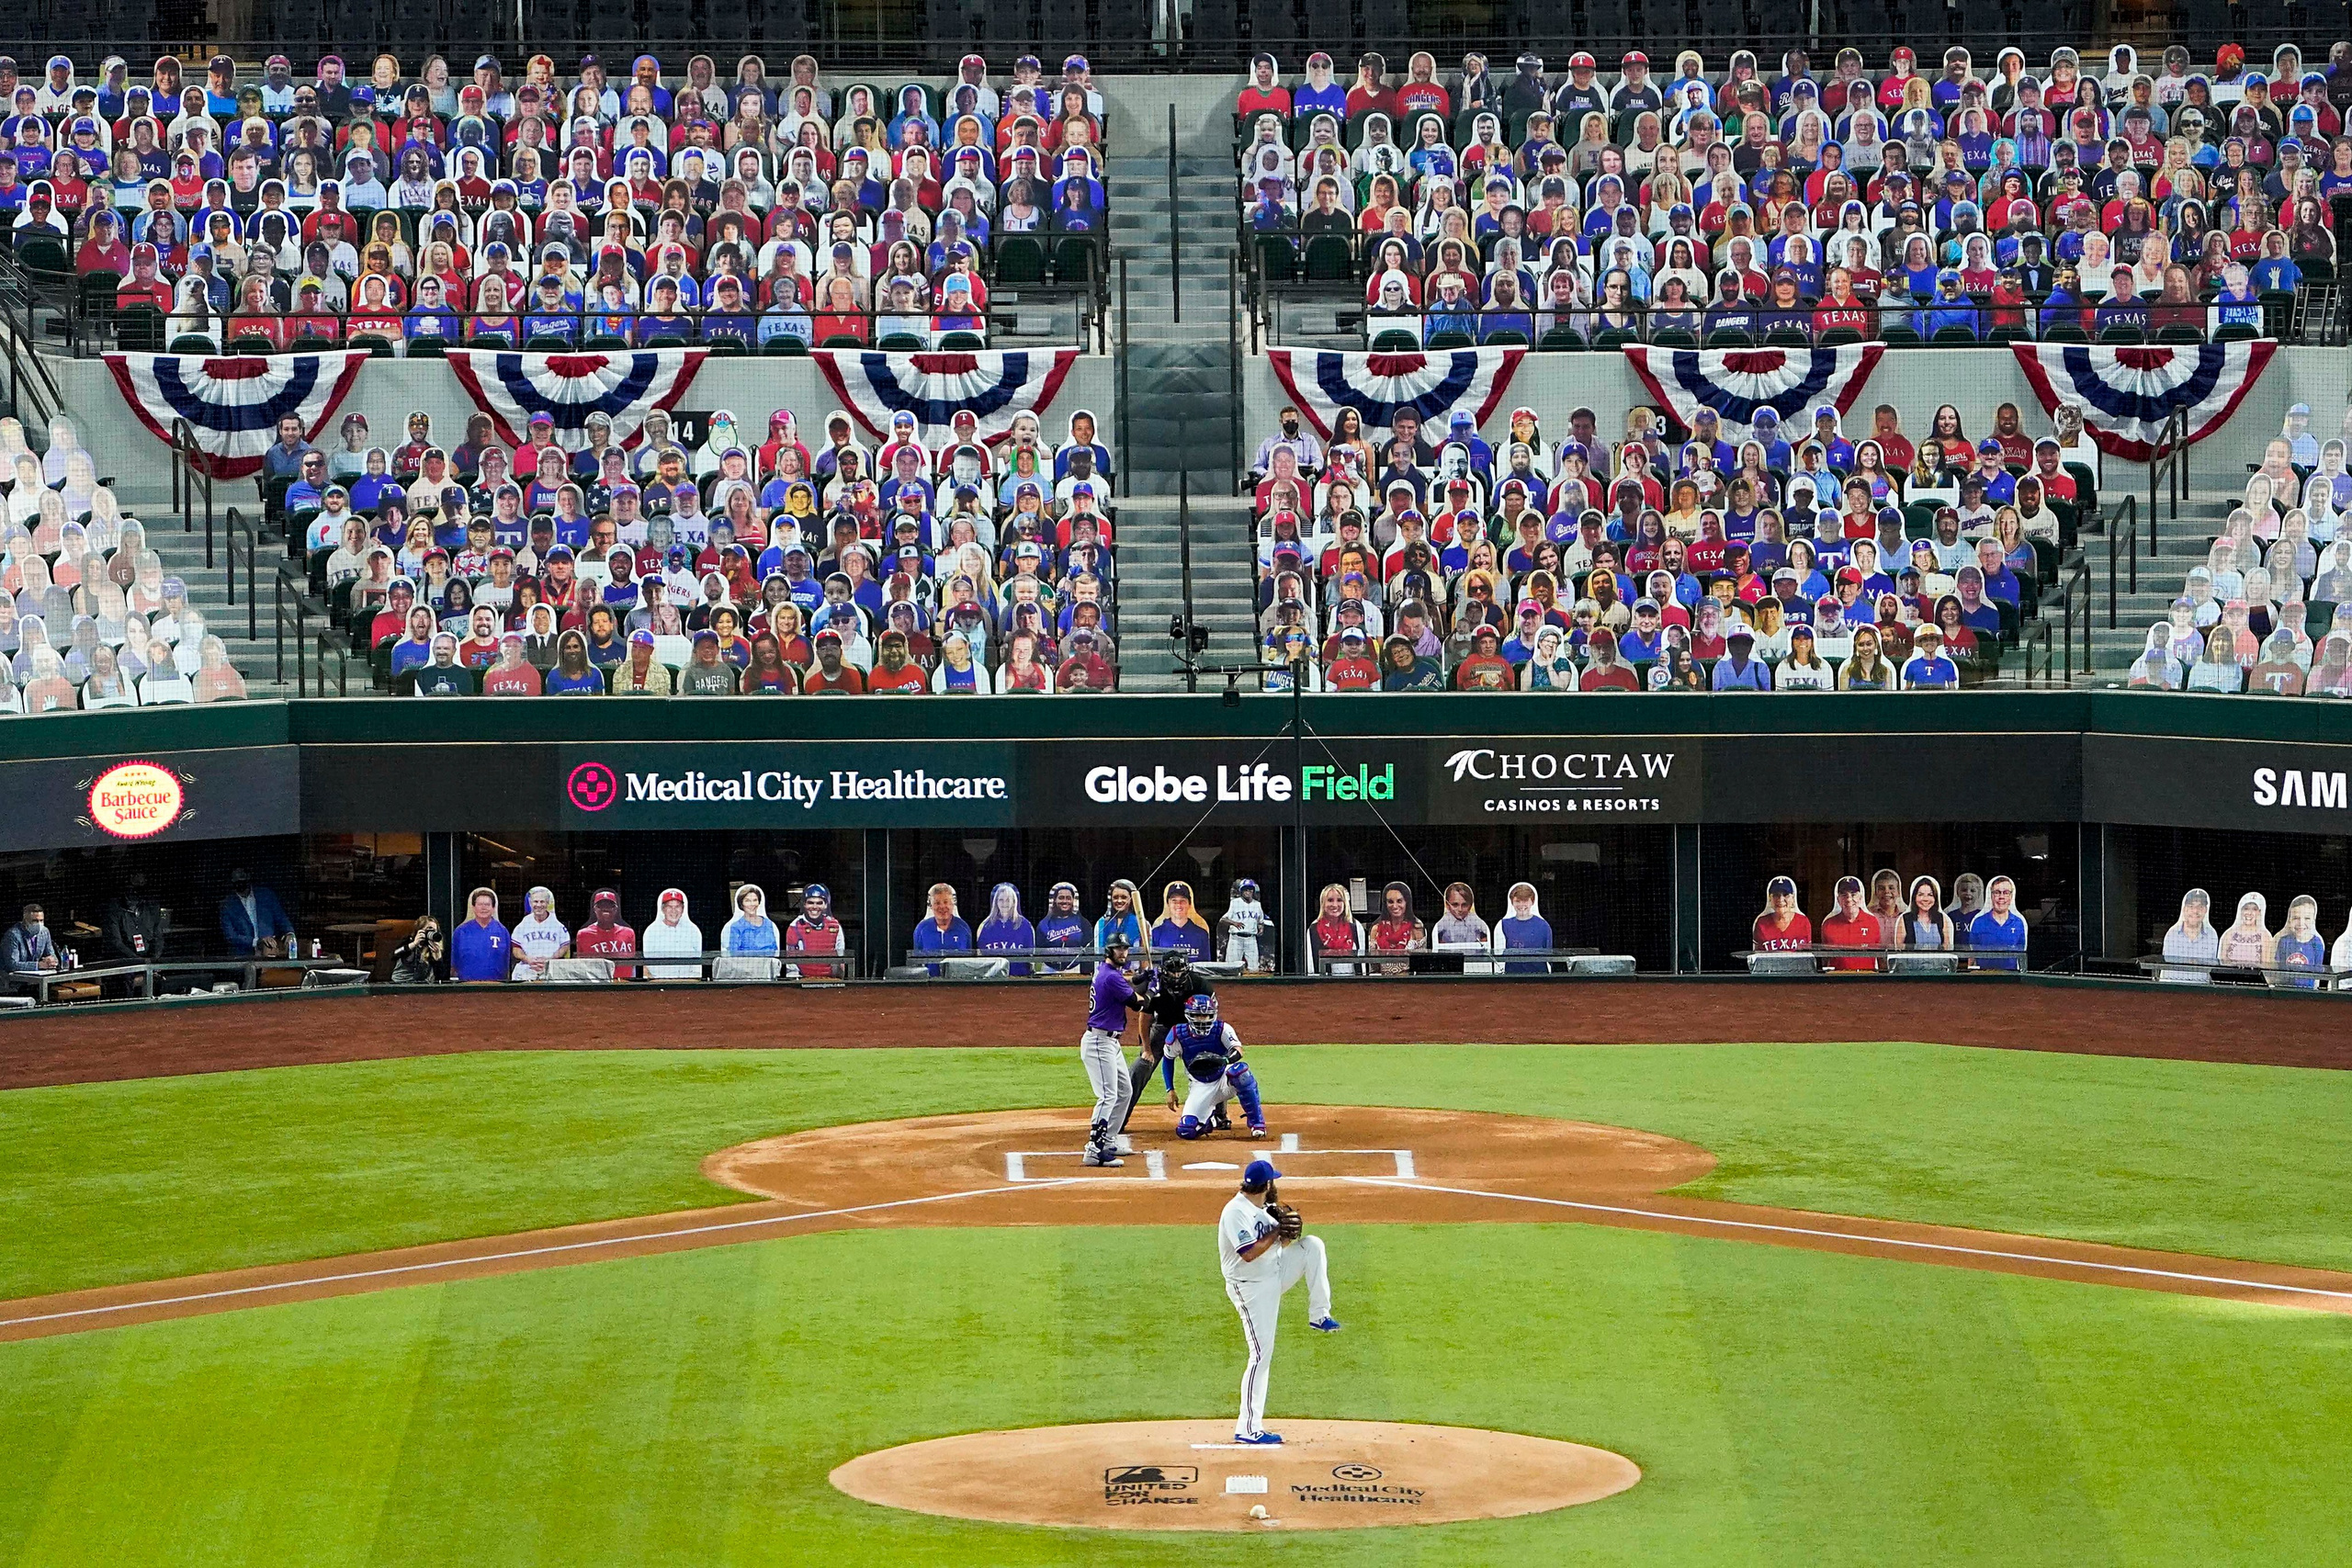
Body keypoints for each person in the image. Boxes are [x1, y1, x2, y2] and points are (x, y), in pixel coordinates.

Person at [1220, 1155, 1340, 1447]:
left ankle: (1319, 1314)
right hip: (1251, 1288)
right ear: (1265, 1185)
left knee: (1312, 1246)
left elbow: (1277, 1243)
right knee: (1260, 1355)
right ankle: (1248, 1428)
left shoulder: (1266, 1207)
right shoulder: (1236, 1212)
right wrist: (1276, 1232)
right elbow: (1248, 1253)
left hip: (1274, 1273)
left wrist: (1285, 1236)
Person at [1079, 931, 1148, 1167]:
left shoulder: (1106, 971)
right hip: (1099, 1043)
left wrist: (1140, 979)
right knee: (1108, 1096)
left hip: (1110, 1042)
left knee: (1124, 1091)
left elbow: (1125, 985)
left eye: (1125, 949)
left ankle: (1108, 1140)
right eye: (1119, 948)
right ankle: (1094, 1150)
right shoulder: (1111, 977)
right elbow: (1137, 1004)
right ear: (1109, 950)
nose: (1123, 952)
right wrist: (1151, 989)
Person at [1165, 991, 1267, 1140]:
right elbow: (1168, 1059)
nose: (1202, 1020)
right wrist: (1170, 1089)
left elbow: (1238, 1050)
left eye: (1205, 1016)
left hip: (1223, 1079)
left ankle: (1257, 1123)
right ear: (1189, 1015)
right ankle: (1206, 1120)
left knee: (1241, 1073)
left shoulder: (1222, 1029)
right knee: (1186, 1131)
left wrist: (1225, 1060)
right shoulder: (1177, 1034)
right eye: (1198, 1015)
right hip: (1200, 1085)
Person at [218, 867, 297, 956]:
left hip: (269, 953)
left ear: (248, 877)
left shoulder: (266, 895)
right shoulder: (227, 905)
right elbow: (230, 936)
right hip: (241, 957)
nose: (239, 880)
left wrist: (289, 932)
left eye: (242, 877)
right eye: (236, 879)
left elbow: (281, 918)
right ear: (231, 881)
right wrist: (256, 941)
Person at [99, 874, 167, 971]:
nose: (134, 891)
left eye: (141, 884)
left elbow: (158, 937)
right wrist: (140, 962)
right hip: (124, 962)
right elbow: (115, 943)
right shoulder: (113, 909)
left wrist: (154, 959)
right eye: (134, 886)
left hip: (148, 959)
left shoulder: (151, 907)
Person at [1817, 874, 1881, 971]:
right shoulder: (1828, 924)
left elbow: (1880, 957)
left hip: (1867, 980)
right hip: (1837, 979)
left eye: (1853, 894)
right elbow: (1825, 960)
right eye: (1844, 895)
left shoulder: (1872, 922)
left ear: (1860, 897)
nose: (1849, 899)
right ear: (1838, 899)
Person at [509, 885, 571, 979]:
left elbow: (565, 947)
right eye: (535, 901)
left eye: (542, 902)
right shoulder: (522, 926)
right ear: (530, 903)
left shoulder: (558, 926)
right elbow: (516, 949)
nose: (538, 905)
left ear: (547, 903)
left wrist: (550, 960)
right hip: (527, 968)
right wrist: (528, 959)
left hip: (551, 969)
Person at [784, 884, 845, 980]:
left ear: (825, 905)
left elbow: (841, 957)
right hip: (804, 980)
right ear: (804, 904)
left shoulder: (835, 925)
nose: (814, 907)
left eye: (819, 903)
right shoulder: (794, 927)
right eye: (810, 903)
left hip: (830, 980)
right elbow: (791, 962)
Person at [572, 889, 639, 977]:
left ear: (616, 909)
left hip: (623, 983)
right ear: (594, 909)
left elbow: (632, 963)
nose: (606, 908)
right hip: (597, 984)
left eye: (610, 906)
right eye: (601, 906)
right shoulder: (583, 934)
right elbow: (581, 964)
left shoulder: (628, 933)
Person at [1967, 874, 2028, 971]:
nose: (2001, 897)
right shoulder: (1978, 922)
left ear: (2011, 896)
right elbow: (1972, 955)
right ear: (1991, 896)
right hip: (1984, 978)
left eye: (2006, 893)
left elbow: (2022, 955)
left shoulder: (2019, 923)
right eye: (1997, 893)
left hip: (2011, 979)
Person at [450, 887, 512, 981]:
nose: (484, 908)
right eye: (480, 904)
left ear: (493, 908)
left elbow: (507, 963)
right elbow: (454, 964)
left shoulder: (502, 931)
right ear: (473, 907)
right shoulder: (461, 931)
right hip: (466, 986)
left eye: (487, 904)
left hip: (496, 987)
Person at [642, 888, 704, 980]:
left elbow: (698, 961)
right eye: (669, 907)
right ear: (663, 909)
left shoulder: (693, 930)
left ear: (683, 909)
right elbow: (646, 964)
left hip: (688, 983)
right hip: (659, 983)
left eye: (678, 906)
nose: (674, 911)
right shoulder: (651, 931)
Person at [1492, 881, 1552, 974]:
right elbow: (1499, 954)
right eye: (1518, 901)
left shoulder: (1543, 925)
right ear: (1512, 902)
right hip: (1513, 977)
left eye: (1525, 901)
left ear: (1532, 901)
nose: (1521, 905)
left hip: (1539, 977)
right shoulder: (1504, 924)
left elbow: (1550, 955)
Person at [912, 882, 973, 973]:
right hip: (929, 984)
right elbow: (916, 963)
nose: (942, 907)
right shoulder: (921, 929)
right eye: (937, 903)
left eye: (946, 902)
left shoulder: (963, 928)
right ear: (931, 906)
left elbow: (970, 962)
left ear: (952, 904)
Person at [2271, 895, 2328, 987]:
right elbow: (2279, 968)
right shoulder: (2284, 941)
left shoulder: (2317, 943)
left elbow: (2318, 971)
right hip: (2285, 989)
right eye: (2296, 918)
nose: (2301, 923)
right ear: (2289, 920)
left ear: (2313, 921)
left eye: (2307, 918)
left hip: (2308, 993)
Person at [1152, 879, 1216, 961]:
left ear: (1189, 904)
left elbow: (1205, 967)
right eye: (1174, 901)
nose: (1178, 904)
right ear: (1168, 904)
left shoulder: (1201, 934)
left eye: (1183, 901)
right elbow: (1154, 967)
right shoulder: (1156, 933)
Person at [1219, 877, 1272, 972]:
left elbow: (1260, 921)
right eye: (1245, 889)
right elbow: (1223, 919)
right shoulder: (1235, 903)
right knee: (1231, 967)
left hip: (1251, 939)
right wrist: (1234, 923)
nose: (1248, 891)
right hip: (1236, 939)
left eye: (1250, 889)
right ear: (1241, 891)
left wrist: (1261, 928)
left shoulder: (1257, 905)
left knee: (1254, 968)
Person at [5, 901, 59, 992]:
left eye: (41, 921)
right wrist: (38, 965)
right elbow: (12, 965)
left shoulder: (45, 932)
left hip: (35, 983)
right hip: (13, 985)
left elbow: (52, 956)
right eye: (35, 921)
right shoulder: (13, 935)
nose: (39, 924)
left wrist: (51, 961)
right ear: (25, 921)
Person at [721, 884, 780, 959]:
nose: (752, 904)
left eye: (755, 900)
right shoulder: (736, 926)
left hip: (768, 966)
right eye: (747, 901)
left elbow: (775, 949)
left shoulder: (769, 924)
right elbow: (734, 955)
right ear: (741, 904)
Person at [389, 916, 444, 984]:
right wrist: (414, 944)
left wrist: (438, 959)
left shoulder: (434, 947)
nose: (431, 932)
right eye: (429, 929)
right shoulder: (408, 942)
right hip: (401, 983)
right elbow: (393, 955)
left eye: (434, 930)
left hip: (423, 986)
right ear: (419, 930)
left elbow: (441, 977)